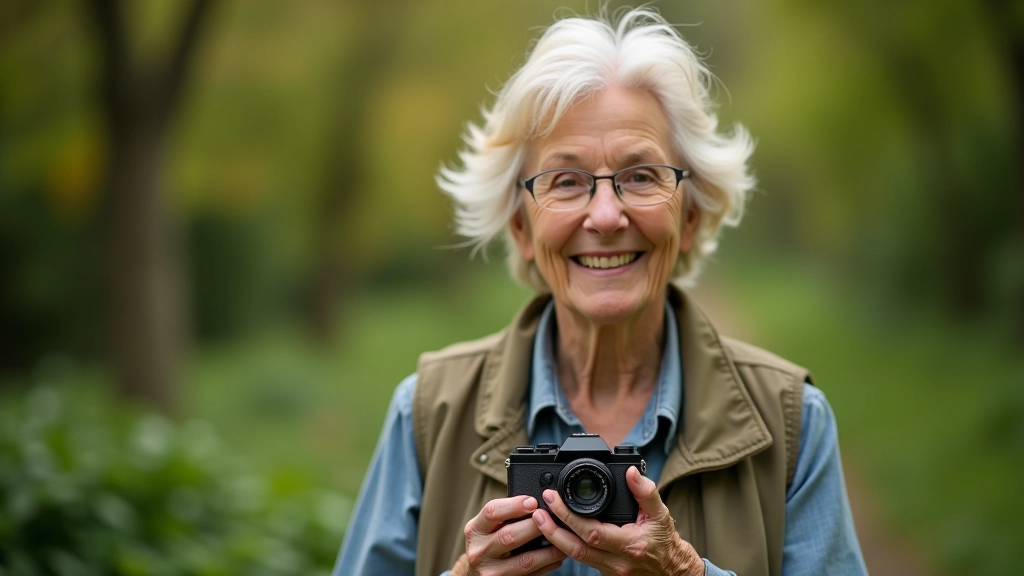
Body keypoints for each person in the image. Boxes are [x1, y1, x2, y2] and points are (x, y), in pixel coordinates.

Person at [334, 7, 867, 576]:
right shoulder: (426, 415)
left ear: (690, 215)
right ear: (521, 225)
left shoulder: (791, 424)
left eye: (640, 176)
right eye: (566, 181)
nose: (607, 215)